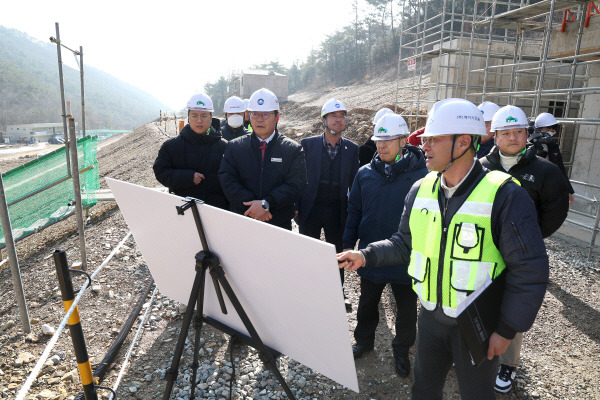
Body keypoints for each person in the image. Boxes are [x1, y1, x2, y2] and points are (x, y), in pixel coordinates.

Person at [338, 98, 549, 400]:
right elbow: (404, 243)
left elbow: (530, 270)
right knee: (423, 389)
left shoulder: (504, 194)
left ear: (463, 142)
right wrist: (365, 255)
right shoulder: (421, 189)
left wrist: (506, 330)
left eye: (434, 139)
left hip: (476, 323)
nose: (424, 145)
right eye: (425, 139)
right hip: (430, 317)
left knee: (476, 394)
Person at [481, 105, 570, 394]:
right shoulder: (481, 167)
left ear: (527, 133)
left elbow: (554, 213)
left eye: (518, 131)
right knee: (480, 299)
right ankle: (477, 347)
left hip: (518, 254)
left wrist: (528, 241)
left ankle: (508, 363)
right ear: (495, 136)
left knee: (513, 305)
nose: (512, 138)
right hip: (483, 251)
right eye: (505, 132)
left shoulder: (545, 172)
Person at [343, 113, 427, 377]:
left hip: (406, 257)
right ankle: (364, 342)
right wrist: (348, 243)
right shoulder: (364, 174)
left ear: (403, 141)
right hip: (371, 255)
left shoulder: (423, 176)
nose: (381, 145)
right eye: (379, 140)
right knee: (367, 304)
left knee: (405, 311)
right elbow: (354, 210)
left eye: (388, 140)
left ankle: (402, 350)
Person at [296, 98, 359, 310]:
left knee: (338, 254)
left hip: (337, 211)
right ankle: (307, 290)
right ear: (324, 120)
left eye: (342, 117)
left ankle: (336, 293)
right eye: (333, 116)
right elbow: (297, 178)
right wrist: (296, 207)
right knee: (308, 251)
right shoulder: (307, 145)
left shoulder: (351, 149)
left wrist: (354, 212)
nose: (338, 120)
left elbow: (354, 183)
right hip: (311, 209)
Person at [219, 88, 307, 230]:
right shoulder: (235, 147)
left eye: (265, 114)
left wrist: (267, 204)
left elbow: (296, 184)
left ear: (277, 118)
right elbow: (227, 179)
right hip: (243, 219)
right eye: (255, 114)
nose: (259, 119)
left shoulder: (292, 149)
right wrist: (254, 207)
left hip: (277, 222)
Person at [153, 93, 228, 209]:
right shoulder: (172, 146)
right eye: (194, 115)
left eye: (204, 115)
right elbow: (160, 171)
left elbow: (233, 178)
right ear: (188, 117)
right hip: (183, 210)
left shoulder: (224, 147)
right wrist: (186, 177)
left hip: (217, 211)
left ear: (211, 117)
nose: (199, 120)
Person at [531, 112, 575, 203]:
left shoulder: (553, 146)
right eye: (548, 129)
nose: (551, 131)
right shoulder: (528, 143)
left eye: (553, 129)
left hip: (547, 187)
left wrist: (568, 190)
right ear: (538, 129)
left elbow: (559, 168)